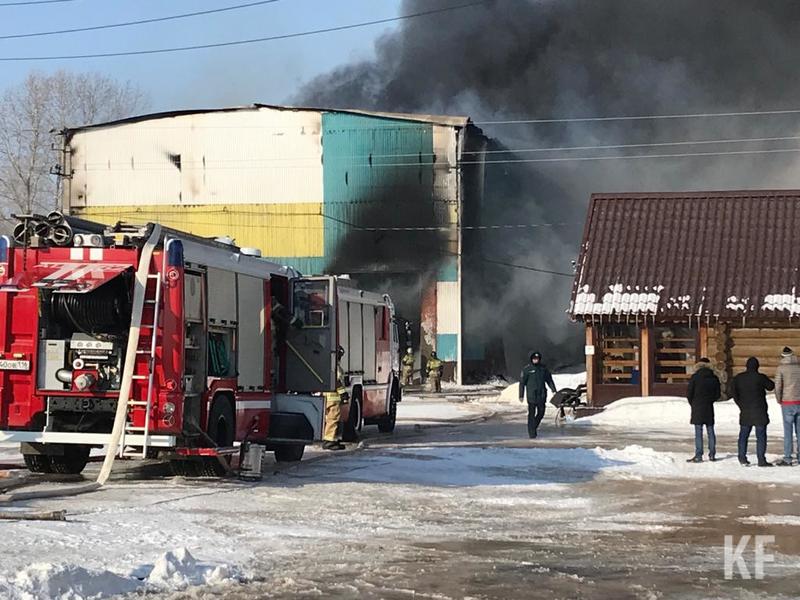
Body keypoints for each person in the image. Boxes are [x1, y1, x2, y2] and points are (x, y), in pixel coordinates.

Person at [732, 357, 775, 467]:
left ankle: (742, 457)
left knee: (743, 435)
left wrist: (740, 404)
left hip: (745, 410)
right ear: (757, 366)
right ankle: (761, 459)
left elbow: (733, 392)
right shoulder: (760, 378)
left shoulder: (739, 378)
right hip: (759, 410)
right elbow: (771, 386)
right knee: (761, 436)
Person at [686, 357, 721, 463]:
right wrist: (711, 400)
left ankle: (699, 455)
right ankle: (712, 454)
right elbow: (717, 395)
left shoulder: (695, 377)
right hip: (709, 407)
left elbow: (689, 393)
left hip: (697, 407)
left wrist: (693, 403)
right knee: (710, 431)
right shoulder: (714, 378)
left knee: (698, 431)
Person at [518, 351, 557, 439]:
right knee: (531, 414)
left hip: (542, 395)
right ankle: (532, 433)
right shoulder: (527, 369)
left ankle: (533, 426)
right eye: (534, 359)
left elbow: (549, 380)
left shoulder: (543, 369)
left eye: (537, 359)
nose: (536, 360)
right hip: (532, 395)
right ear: (531, 359)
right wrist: (521, 395)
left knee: (541, 413)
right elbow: (522, 383)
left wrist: (553, 390)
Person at [774, 347, 800, 466]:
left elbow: (778, 385)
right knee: (799, 431)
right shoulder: (798, 367)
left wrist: (779, 399)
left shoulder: (781, 368)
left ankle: (788, 457)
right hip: (799, 402)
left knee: (788, 431)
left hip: (787, 402)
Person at [323, 346, 348, 451]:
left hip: (327, 396)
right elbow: (336, 381)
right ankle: (330, 441)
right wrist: (343, 393)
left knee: (329, 419)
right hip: (333, 397)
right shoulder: (335, 367)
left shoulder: (327, 365)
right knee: (333, 418)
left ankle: (331, 439)